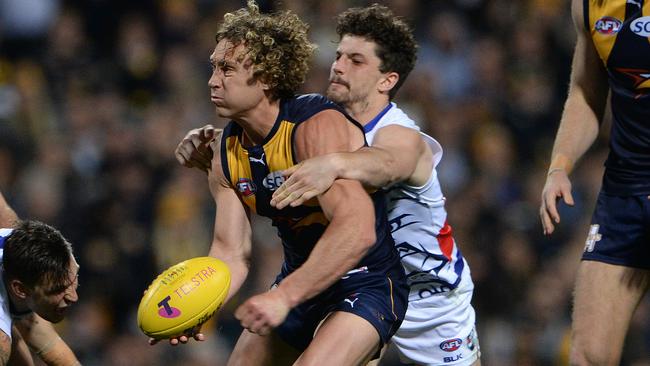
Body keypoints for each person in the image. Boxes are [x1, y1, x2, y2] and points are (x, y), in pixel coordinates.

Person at [176, 4, 481, 366]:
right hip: (316, 275)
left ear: (388, 80)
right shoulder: (238, 147)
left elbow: (386, 167)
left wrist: (333, 164)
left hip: (422, 289)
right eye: (338, 55)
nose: (337, 65)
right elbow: (229, 252)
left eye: (355, 60)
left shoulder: (394, 135)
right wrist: (196, 306)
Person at [539, 0, 650, 364]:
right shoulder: (588, 6)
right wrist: (559, 167)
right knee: (588, 354)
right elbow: (585, 92)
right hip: (625, 191)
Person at [0, 191, 80, 365]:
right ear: (20, 290)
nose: (74, 297)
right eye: (58, 290)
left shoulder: (13, 231)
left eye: (74, 279)